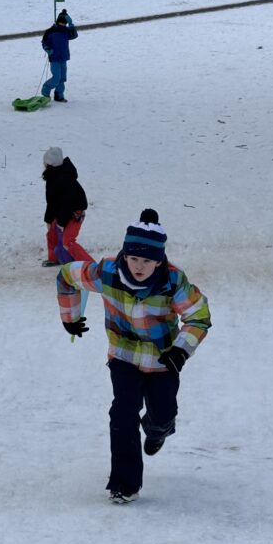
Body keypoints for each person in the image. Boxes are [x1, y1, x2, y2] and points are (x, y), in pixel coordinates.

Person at [56, 209, 211, 503]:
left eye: (148, 260)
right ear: (125, 255)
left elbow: (199, 316)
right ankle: (125, 485)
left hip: (163, 359)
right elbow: (66, 276)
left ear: (159, 260)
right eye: (134, 258)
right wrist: (70, 317)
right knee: (123, 412)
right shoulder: (107, 272)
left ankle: (158, 430)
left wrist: (181, 350)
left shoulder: (173, 281)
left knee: (162, 414)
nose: (140, 266)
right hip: (123, 355)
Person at [42, 147, 94, 267]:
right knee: (52, 233)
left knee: (68, 241)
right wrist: (49, 219)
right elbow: (51, 202)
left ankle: (92, 266)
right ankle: (54, 258)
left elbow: (67, 203)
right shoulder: (51, 177)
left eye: (45, 162)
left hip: (76, 213)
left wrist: (61, 223)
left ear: (49, 164)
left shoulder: (65, 180)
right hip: (62, 211)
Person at [41, 8, 78, 102]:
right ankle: (45, 91)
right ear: (58, 22)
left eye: (65, 24)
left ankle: (59, 95)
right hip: (54, 58)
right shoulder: (50, 31)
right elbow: (44, 43)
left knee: (62, 78)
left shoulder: (66, 30)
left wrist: (71, 24)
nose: (63, 25)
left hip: (63, 57)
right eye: (62, 23)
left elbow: (74, 35)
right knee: (56, 78)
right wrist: (48, 49)